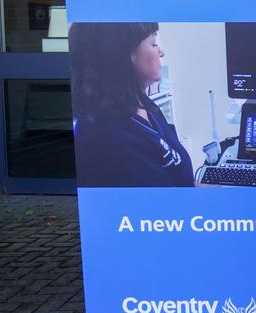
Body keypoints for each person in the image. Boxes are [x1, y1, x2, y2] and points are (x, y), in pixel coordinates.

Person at [70, 22, 195, 188]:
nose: (161, 52)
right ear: (124, 54)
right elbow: (163, 207)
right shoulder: (108, 138)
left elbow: (182, 184)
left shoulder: (143, 104)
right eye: (153, 44)